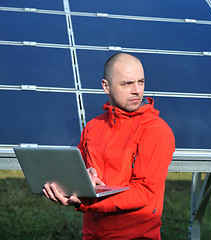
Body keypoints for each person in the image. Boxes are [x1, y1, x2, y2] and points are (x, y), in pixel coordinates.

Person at [43, 53, 175, 239]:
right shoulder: (93, 127)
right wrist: (75, 183)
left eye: (141, 82)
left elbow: (145, 192)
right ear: (106, 86)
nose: (137, 90)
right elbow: (77, 172)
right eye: (127, 84)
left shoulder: (155, 130)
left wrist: (86, 201)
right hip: (91, 235)